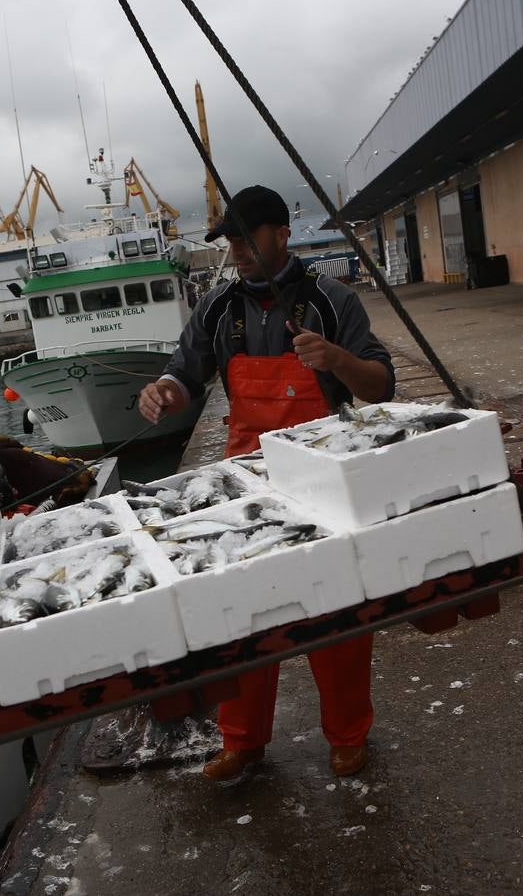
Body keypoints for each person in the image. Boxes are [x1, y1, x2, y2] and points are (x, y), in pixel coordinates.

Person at [137, 184, 395, 782]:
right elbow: (185, 375)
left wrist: (336, 360)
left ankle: (348, 736)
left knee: (338, 617)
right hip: (244, 484)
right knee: (239, 618)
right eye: (230, 239)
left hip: (327, 482)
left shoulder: (333, 301)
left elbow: (380, 386)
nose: (238, 249)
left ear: (283, 232)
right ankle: (243, 742)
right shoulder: (217, 309)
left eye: (247, 235)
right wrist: (165, 392)